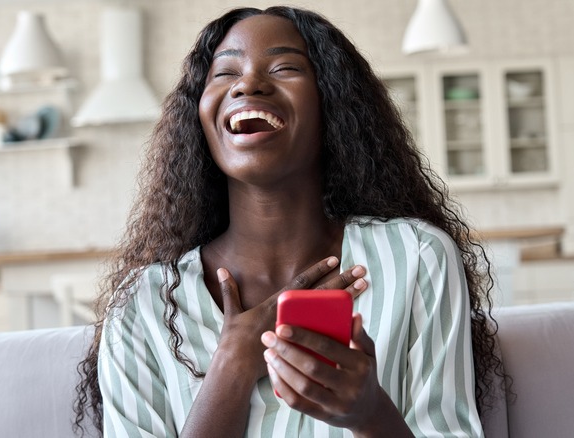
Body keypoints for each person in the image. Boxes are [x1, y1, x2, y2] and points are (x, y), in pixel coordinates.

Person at [75, 6, 504, 437]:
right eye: (224, 73)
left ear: (331, 103)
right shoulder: (144, 305)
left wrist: (371, 414)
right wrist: (232, 364)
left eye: (284, 67)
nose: (248, 83)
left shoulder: (416, 257)